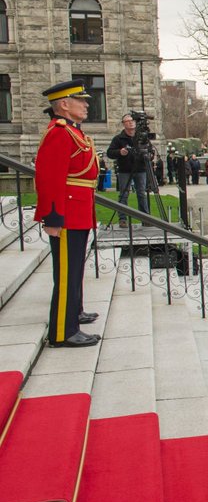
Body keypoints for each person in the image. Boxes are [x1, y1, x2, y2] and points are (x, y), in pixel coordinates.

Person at [34, 80, 101, 348]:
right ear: (64, 104)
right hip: (66, 213)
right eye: (80, 100)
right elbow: (49, 178)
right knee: (66, 275)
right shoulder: (59, 133)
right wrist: (52, 217)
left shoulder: (72, 132)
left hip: (78, 210)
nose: (86, 104)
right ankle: (62, 332)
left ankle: (72, 315)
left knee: (73, 271)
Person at [105, 112, 152, 222]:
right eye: (127, 121)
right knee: (124, 194)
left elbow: (149, 149)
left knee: (141, 194)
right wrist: (120, 152)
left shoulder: (141, 137)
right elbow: (110, 153)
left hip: (140, 169)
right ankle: (122, 218)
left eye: (132, 121)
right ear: (123, 124)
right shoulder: (118, 139)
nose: (130, 123)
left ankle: (145, 218)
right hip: (125, 170)